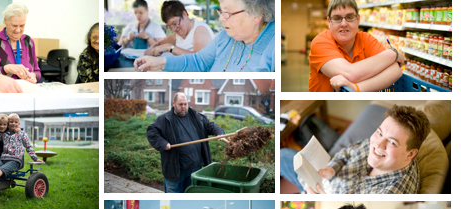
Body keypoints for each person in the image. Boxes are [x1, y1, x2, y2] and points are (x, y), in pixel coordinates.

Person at [280, 105, 430, 194]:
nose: (378, 144)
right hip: (326, 175)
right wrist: (332, 168)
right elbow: (348, 151)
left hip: (324, 193)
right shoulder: (378, 147)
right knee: (282, 156)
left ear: (410, 154)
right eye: (379, 132)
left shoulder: (391, 192)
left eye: (391, 142)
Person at [134, 0, 274, 72]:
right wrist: (159, 62)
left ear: (256, 14)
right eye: (221, 11)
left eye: (228, 13)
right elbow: (198, 61)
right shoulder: (226, 36)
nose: (221, 18)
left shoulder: (273, 46)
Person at [308, 0, 404, 92]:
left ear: (358, 19)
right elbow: (350, 74)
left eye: (349, 17)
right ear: (329, 22)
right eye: (337, 18)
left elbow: (396, 70)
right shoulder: (320, 42)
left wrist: (356, 89)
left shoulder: (366, 39)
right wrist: (394, 53)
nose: (344, 24)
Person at [146, 92, 226, 193]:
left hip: (195, 169)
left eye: (185, 104)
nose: (183, 107)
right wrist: (163, 143)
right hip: (175, 171)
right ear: (174, 103)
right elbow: (151, 131)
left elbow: (210, 125)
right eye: (180, 104)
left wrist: (219, 132)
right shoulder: (165, 119)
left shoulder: (195, 116)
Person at [0, 3, 40, 83]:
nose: (18, 30)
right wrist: (5, 69)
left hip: (25, 91)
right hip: (4, 92)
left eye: (22, 25)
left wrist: (33, 76)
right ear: (5, 20)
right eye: (14, 25)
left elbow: (37, 71)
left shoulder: (28, 41)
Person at [0, 114, 45, 184]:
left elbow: (29, 147)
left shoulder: (22, 134)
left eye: (16, 122)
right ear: (8, 123)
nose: (13, 124)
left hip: (15, 160)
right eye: (11, 122)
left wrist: (35, 158)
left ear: (19, 123)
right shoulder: (4, 134)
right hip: (4, 159)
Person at [144, 1, 213, 56]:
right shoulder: (177, 35)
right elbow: (159, 44)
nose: (174, 29)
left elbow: (199, 60)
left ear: (184, 15)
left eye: (175, 24)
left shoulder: (200, 30)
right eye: (169, 26)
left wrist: (170, 47)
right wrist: (153, 48)